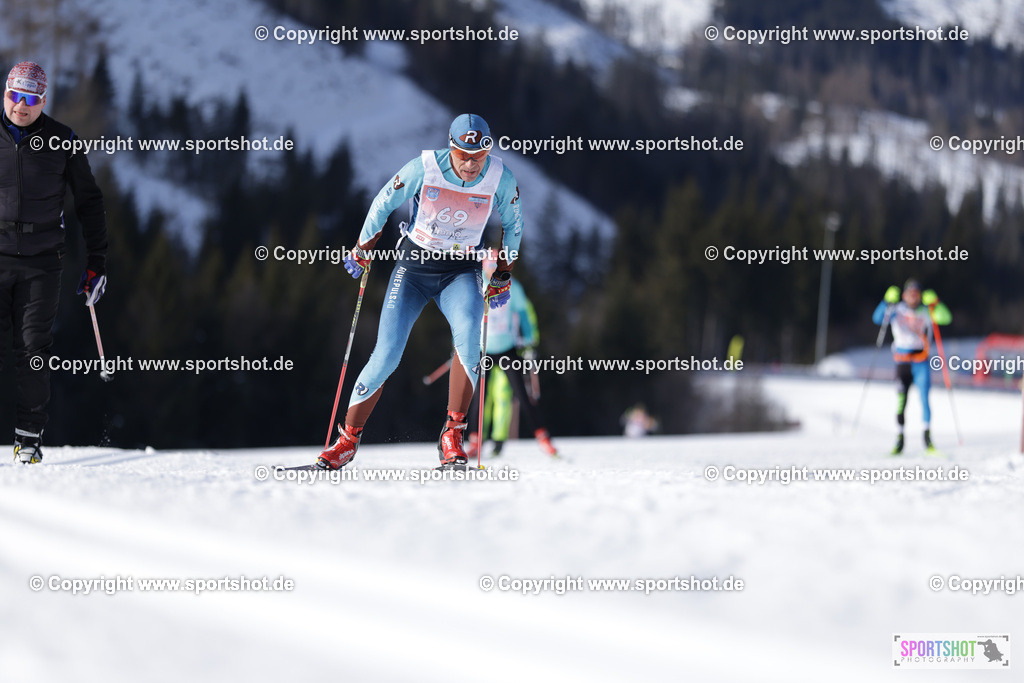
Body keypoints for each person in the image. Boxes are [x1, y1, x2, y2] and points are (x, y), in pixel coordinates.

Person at [316, 113, 523, 470]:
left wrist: (503, 273)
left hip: (461, 270)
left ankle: (452, 435)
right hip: (414, 269)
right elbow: (383, 202)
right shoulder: (424, 167)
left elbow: (514, 225)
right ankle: (347, 440)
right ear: (451, 146)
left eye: (480, 155)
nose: (472, 164)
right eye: (464, 155)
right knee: (387, 354)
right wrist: (363, 246)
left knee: (470, 342)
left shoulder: (500, 178)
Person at [1, 62, 107, 464]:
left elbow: (90, 203)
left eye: (30, 99)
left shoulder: (64, 141)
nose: (21, 106)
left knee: (32, 348)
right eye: (14, 95)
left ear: (43, 102)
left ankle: (27, 439)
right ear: (5, 93)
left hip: (42, 261)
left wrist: (97, 262)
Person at [465, 255, 557, 458]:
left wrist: (531, 342)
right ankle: (474, 440)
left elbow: (525, 315)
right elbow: (464, 313)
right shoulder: (476, 283)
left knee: (522, 395)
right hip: (484, 349)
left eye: (497, 267)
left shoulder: (513, 287)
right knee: (479, 397)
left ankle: (543, 438)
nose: (493, 272)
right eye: (489, 267)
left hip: (507, 348)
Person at [872, 279, 951, 454]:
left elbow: (946, 318)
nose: (913, 297)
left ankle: (927, 439)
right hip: (902, 361)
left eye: (916, 293)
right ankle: (899, 439)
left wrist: (936, 303)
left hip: (921, 361)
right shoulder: (896, 309)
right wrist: (886, 301)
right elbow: (877, 318)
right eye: (910, 293)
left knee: (924, 399)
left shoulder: (926, 310)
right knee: (901, 402)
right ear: (904, 295)